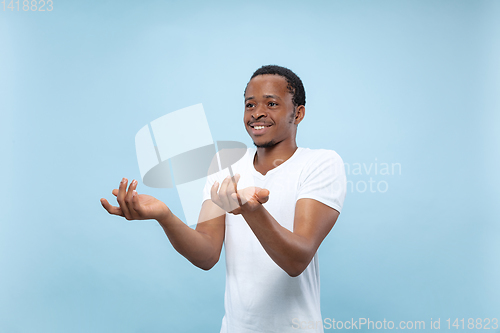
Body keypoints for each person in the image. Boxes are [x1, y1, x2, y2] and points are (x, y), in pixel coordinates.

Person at [100, 65, 347, 332]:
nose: (258, 113)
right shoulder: (224, 165)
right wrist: (165, 216)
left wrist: (250, 210)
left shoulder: (320, 163)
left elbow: (296, 260)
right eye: (250, 105)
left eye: (272, 103)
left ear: (297, 113)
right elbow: (206, 254)